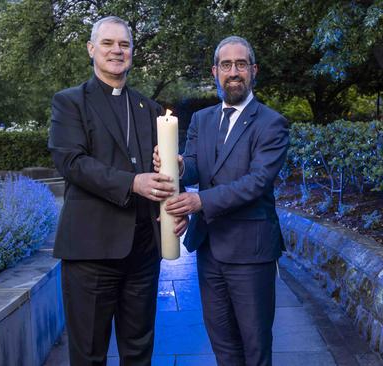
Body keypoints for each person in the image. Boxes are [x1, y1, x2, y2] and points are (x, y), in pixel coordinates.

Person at [49, 15, 187, 366]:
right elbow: (72, 162)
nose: (117, 50)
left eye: (124, 44)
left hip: (142, 250)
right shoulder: (69, 102)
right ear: (91, 49)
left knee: (139, 351)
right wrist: (133, 182)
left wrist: (174, 166)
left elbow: (163, 171)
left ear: (132, 52)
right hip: (91, 252)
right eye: (108, 43)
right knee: (89, 354)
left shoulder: (149, 108)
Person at [154, 36, 289, 366]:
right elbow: (196, 164)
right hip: (210, 247)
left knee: (255, 346)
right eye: (226, 65)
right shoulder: (202, 119)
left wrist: (199, 202)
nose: (233, 72)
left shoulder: (272, 123)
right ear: (215, 71)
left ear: (253, 71)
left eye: (240, 64)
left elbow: (257, 182)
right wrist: (179, 164)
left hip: (250, 251)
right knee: (223, 343)